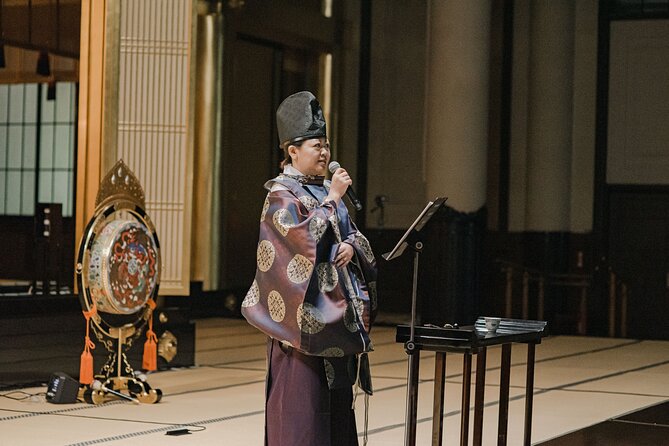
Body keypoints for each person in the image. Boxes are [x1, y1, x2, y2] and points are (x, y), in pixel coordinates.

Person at [241, 91, 378, 446]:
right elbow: (301, 243)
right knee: (304, 411)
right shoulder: (280, 196)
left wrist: (351, 244)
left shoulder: (323, 191)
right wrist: (333, 199)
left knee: (337, 410)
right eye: (316, 145)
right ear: (293, 151)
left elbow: (355, 236)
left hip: (338, 323)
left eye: (327, 145)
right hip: (301, 327)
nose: (324, 153)